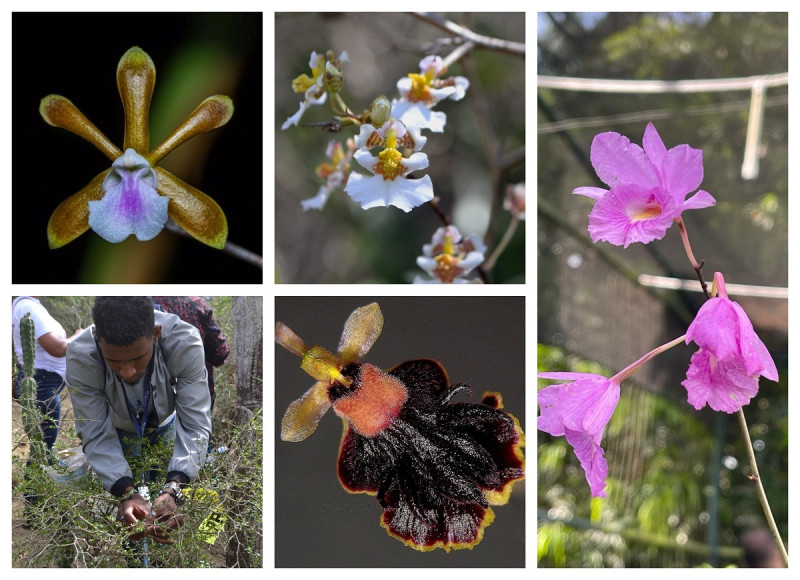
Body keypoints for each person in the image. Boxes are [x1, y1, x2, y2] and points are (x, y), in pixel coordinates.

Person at [67, 297, 211, 543]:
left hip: (165, 426)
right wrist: (126, 493)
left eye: (137, 358)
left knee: (164, 516)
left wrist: (173, 490)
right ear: (100, 342)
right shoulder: (81, 356)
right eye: (114, 361)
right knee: (131, 522)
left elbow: (194, 424)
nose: (127, 372)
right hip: (117, 433)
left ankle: (163, 562)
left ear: (156, 334)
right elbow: (96, 433)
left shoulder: (183, 342)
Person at [12, 296, 82, 458]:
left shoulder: (26, 305)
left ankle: (41, 478)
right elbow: (57, 348)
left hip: (42, 383)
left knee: (43, 447)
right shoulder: (28, 307)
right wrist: (80, 334)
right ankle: (33, 482)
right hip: (41, 385)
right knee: (43, 451)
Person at [151, 297, 230, 411]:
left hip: (155, 397)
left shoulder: (144, 304)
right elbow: (220, 353)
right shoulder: (197, 305)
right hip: (197, 396)